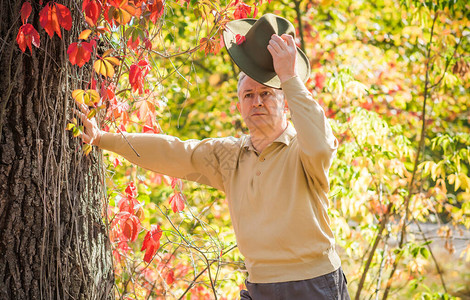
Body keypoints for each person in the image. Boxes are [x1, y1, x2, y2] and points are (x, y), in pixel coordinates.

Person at [76, 13, 350, 300]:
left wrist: (289, 77)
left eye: (267, 94)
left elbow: (321, 145)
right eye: (248, 95)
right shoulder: (229, 155)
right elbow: (171, 151)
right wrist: (101, 138)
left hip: (314, 285)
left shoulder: (303, 150)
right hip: (259, 286)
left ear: (286, 103)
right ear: (238, 107)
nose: (257, 101)